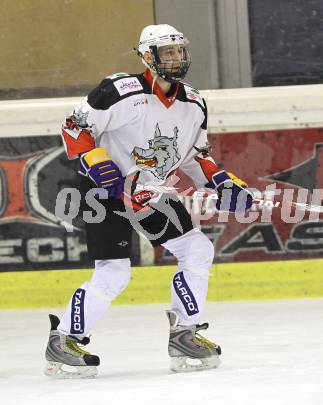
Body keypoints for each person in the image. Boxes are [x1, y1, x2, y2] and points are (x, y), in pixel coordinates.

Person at [44, 23, 253, 378]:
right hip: (104, 192)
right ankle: (64, 340)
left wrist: (221, 182)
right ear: (147, 56)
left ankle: (185, 332)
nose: (175, 58)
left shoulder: (194, 102)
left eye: (178, 51)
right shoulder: (119, 91)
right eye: (166, 52)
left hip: (149, 191)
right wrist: (99, 165)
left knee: (197, 249)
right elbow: (76, 128)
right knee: (114, 272)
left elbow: (196, 154)